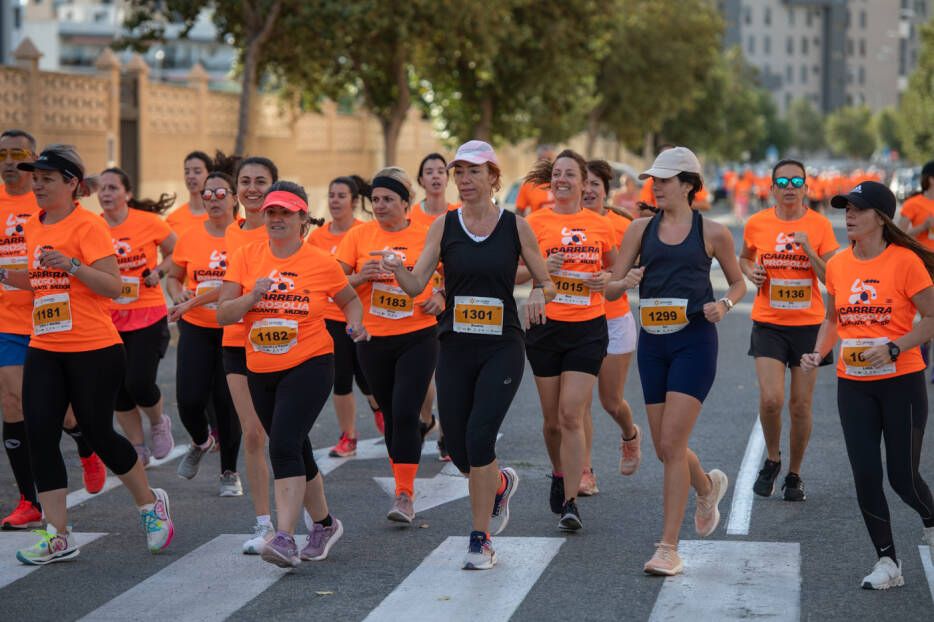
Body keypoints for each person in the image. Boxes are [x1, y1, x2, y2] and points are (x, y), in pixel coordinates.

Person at [382, 139, 554, 570]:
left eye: (473, 172)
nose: (464, 180)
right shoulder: (444, 226)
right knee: (458, 448)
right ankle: (498, 483)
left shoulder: (517, 226)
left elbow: (546, 280)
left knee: (480, 437)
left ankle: (480, 538)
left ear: (493, 177)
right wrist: (396, 268)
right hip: (456, 345)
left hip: (502, 346)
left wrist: (537, 293)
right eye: (459, 172)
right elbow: (417, 283)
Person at [4, 145, 172, 563]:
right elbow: (39, 279)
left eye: (45, 178)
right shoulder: (33, 224)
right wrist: (6, 273)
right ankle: (58, 535)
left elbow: (113, 286)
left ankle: (150, 504)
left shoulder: (89, 225)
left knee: (99, 433)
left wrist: (72, 265)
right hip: (45, 345)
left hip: (94, 348)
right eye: (34, 178)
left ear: (72, 184)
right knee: (39, 434)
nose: (36, 185)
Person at [608, 146, 745, 576]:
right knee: (669, 446)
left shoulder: (713, 232)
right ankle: (706, 487)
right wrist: (623, 281)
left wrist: (724, 304)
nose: (656, 186)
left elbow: (739, 283)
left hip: (694, 343)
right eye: (654, 179)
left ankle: (668, 547)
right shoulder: (640, 230)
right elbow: (610, 290)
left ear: (688, 184)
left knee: (670, 446)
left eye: (665, 180)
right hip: (653, 343)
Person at [218, 181, 362, 568]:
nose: (277, 219)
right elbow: (223, 313)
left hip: (311, 363)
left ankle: (283, 537)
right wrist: (252, 297)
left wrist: (355, 325)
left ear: (302, 218)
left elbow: (348, 299)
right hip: (261, 367)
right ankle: (325, 525)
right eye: (271, 212)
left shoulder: (320, 261)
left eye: (286, 212)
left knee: (281, 443)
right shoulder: (247, 256)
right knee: (295, 448)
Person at [801, 181, 934, 590]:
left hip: (902, 382)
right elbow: (832, 319)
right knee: (865, 474)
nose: (849, 215)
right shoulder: (839, 264)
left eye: (857, 209)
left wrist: (895, 348)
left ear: (880, 217)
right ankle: (887, 562)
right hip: (853, 385)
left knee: (903, 476)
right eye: (846, 208)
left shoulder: (906, 262)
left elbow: (930, 320)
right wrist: (817, 353)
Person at [518, 149, 617, 530]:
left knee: (571, 413)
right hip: (545, 327)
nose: (562, 180)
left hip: (587, 327)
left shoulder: (600, 224)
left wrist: (605, 280)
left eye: (569, 175)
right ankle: (560, 474)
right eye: (557, 173)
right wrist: (541, 270)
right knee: (551, 422)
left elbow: (614, 270)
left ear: (582, 181)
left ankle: (572, 500)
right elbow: (515, 273)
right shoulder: (532, 222)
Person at [336, 167, 441, 525]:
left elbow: (451, 276)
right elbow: (331, 282)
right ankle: (403, 484)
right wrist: (359, 276)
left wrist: (440, 295)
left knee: (405, 410)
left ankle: (405, 494)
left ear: (406, 203)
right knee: (392, 416)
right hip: (372, 338)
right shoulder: (358, 235)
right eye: (375, 199)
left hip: (419, 335)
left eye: (388, 200)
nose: (379, 206)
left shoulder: (427, 235)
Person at [740, 160, 839, 501]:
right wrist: (751, 272)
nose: (789, 186)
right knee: (771, 400)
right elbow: (744, 258)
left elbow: (832, 278)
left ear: (806, 188)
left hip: (808, 327)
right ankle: (772, 458)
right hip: (768, 322)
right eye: (782, 181)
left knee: (799, 405)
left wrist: (809, 249)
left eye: (797, 180)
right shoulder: (757, 223)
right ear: (772, 188)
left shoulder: (820, 225)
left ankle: (794, 474)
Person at [166, 155, 242, 493]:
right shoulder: (190, 236)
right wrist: (179, 293)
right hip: (196, 324)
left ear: (234, 197)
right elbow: (174, 276)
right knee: (189, 399)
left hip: (234, 327)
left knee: (227, 403)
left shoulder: (246, 236)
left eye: (220, 193)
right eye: (207, 194)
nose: (212, 199)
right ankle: (200, 441)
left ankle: (229, 473)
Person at [98, 167, 176, 467]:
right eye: (102, 189)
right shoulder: (93, 227)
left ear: (127, 193)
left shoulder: (148, 222)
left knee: (139, 382)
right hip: (108, 317)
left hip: (147, 314)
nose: (106, 194)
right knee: (116, 388)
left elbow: (175, 251)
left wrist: (159, 271)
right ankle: (138, 446)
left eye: (113, 188)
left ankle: (158, 422)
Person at [578, 160, 641, 497]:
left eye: (595, 185)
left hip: (615, 320)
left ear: (606, 190)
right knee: (579, 402)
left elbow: (638, 266)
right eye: (583, 183)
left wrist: (617, 278)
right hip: (577, 321)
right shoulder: (565, 223)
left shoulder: (621, 224)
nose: (588, 190)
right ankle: (584, 472)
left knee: (611, 401)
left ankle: (630, 434)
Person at [307, 176, 383, 458]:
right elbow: (318, 278)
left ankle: (379, 409)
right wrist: (357, 276)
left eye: (341, 195)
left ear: (353, 201)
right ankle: (348, 436)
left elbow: (370, 277)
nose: (335, 200)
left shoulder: (367, 232)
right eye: (331, 195)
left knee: (368, 377)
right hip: (329, 317)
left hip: (363, 316)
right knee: (340, 378)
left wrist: (360, 278)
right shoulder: (317, 237)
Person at [224, 156, 277, 553]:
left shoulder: (283, 229)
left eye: (261, 181)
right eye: (245, 181)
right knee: (254, 434)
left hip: (279, 342)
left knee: (288, 437)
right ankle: (263, 524)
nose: (252, 188)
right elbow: (229, 287)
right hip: (236, 341)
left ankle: (313, 511)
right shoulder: (232, 233)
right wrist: (192, 303)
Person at [166, 151, 212, 236]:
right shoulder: (173, 219)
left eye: (197, 171)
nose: (190, 176)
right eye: (187, 172)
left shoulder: (222, 215)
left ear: (209, 175)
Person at [897, 161, 934, 251]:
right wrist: (923, 226)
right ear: (931, 179)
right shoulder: (913, 203)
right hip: (923, 259)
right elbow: (899, 235)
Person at [515, 145, 557, 217]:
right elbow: (519, 210)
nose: (545, 163)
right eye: (542, 159)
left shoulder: (561, 181)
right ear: (537, 161)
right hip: (537, 226)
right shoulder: (529, 184)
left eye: (549, 159)